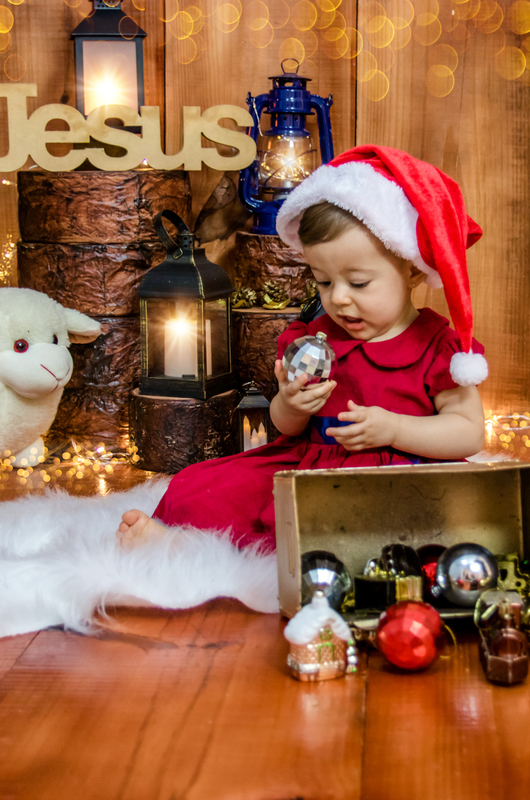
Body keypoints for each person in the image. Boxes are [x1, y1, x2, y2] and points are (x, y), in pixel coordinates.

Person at [118, 145, 489, 550]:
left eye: (359, 283)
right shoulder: (314, 340)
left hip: (394, 479)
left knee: (342, 522)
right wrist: (292, 404)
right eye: (324, 281)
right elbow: (285, 426)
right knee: (198, 486)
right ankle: (187, 546)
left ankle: (215, 547)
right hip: (310, 462)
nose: (338, 298)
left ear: (412, 268)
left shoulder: (437, 347)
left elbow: (468, 433)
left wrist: (395, 429)